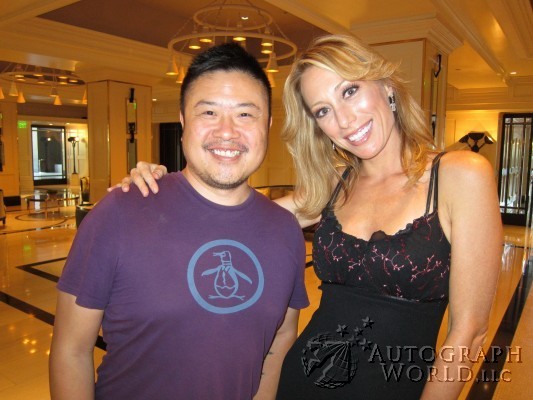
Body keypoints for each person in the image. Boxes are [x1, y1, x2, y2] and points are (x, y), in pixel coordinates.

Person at [121, 34, 502, 399]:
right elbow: (233, 215)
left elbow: (469, 333)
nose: (344, 120)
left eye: (349, 91)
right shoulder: (335, 187)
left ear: (386, 86)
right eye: (323, 111)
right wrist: (165, 187)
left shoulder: (460, 175)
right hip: (301, 381)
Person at [49, 43, 309, 400]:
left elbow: (281, 338)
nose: (227, 131)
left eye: (245, 114)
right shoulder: (120, 211)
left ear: (267, 125)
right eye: (209, 112)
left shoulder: (285, 230)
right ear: (184, 121)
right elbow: (71, 350)